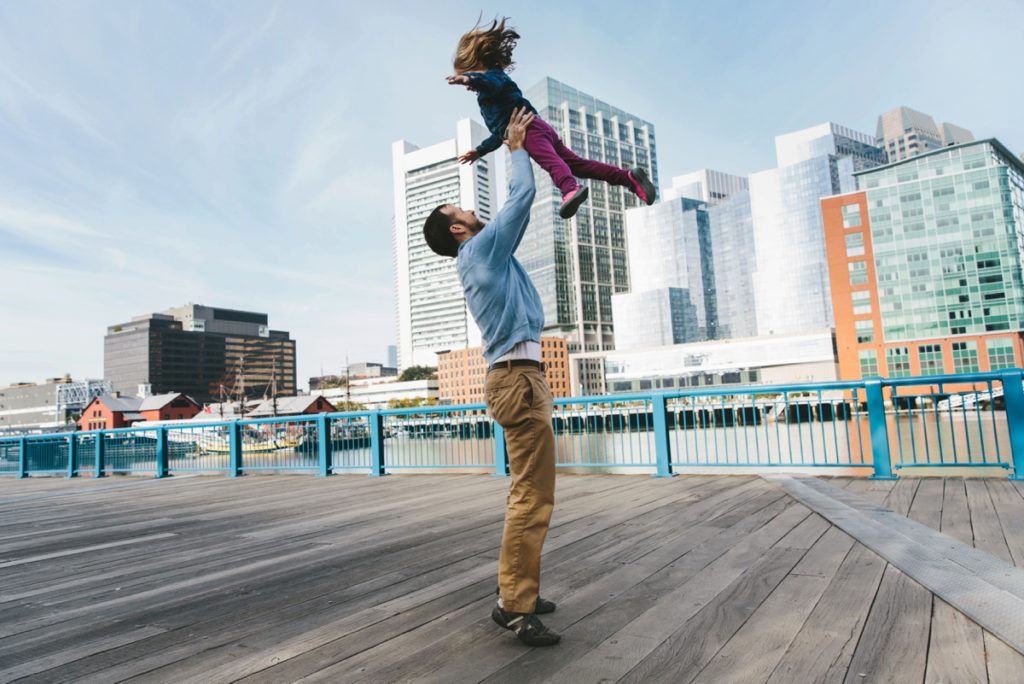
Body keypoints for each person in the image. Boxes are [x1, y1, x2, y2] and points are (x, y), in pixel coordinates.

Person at [422, 107, 561, 647]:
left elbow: (512, 218)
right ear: (458, 229)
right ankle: (514, 604)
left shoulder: (487, 257)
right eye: (461, 208)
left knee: (533, 491)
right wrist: (517, 148)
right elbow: (519, 202)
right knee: (530, 495)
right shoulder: (479, 252)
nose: (470, 209)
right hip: (517, 379)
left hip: (521, 376)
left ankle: (519, 590)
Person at [446, 17, 656, 220]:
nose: (467, 85)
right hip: (538, 127)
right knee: (578, 165)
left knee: (550, 162)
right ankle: (627, 177)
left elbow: (489, 83)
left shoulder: (494, 78)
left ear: (479, 64)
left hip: (530, 130)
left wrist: (470, 78)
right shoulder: (490, 90)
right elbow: (500, 132)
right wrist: (481, 150)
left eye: (468, 76)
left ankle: (569, 188)